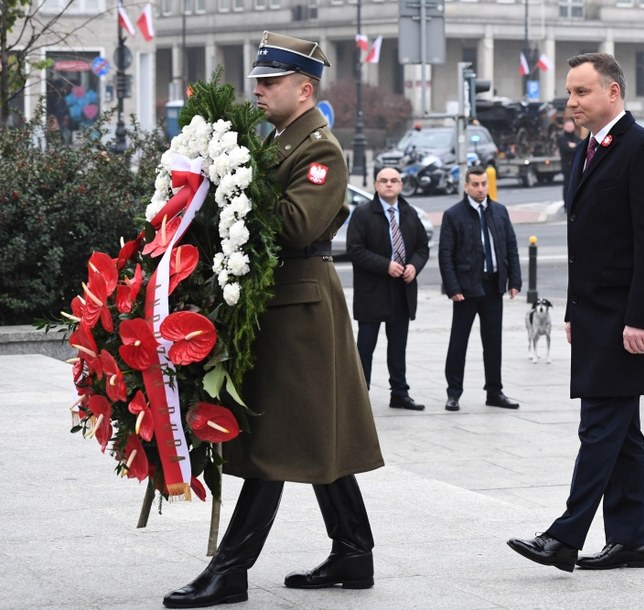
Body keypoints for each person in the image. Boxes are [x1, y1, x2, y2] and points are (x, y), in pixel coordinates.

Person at [163, 32, 384, 609]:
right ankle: (353, 552)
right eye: (258, 81)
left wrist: (232, 182)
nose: (257, 90)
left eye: (270, 82)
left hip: (303, 307)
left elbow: (293, 227)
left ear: (304, 89)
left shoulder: (320, 150)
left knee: (276, 441)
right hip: (284, 304)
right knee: (311, 434)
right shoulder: (281, 141)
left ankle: (230, 570)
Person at [507, 52, 644, 573]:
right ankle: (631, 541)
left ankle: (564, 537)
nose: (571, 102)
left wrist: (640, 320)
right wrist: (573, 312)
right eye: (569, 92)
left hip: (627, 320)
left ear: (613, 92)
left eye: (581, 92)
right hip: (597, 316)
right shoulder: (587, 149)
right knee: (622, 435)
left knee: (600, 428)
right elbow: (590, 241)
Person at [438, 165, 522, 412]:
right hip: (465, 289)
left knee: (493, 342)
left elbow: (511, 247)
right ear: (466, 186)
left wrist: (514, 281)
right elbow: (445, 254)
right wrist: (452, 287)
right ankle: (454, 393)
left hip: (493, 286)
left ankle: (494, 391)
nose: (480, 188)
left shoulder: (499, 211)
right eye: (475, 184)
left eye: (484, 183)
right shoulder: (453, 215)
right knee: (458, 342)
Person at [347, 167, 430, 411]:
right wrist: (386, 266)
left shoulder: (409, 213)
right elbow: (355, 249)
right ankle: (361, 396)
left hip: (401, 290)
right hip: (372, 290)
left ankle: (400, 393)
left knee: (398, 345)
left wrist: (414, 266)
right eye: (384, 181)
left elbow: (422, 248)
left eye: (394, 181)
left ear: (401, 185)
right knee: (366, 346)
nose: (389, 185)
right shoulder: (363, 213)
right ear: (376, 185)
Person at [557, 118, 581, 212]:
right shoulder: (562, 138)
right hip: (567, 166)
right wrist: (574, 146)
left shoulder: (576, 137)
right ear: (564, 127)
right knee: (567, 186)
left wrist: (573, 146)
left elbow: (581, 147)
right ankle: (567, 205)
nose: (570, 127)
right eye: (568, 126)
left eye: (571, 126)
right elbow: (565, 149)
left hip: (577, 166)